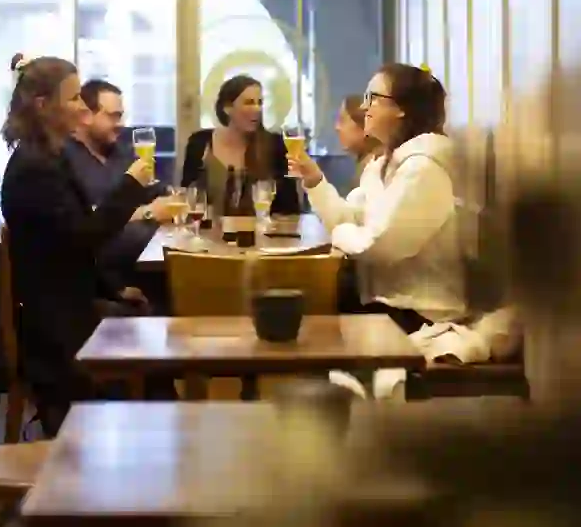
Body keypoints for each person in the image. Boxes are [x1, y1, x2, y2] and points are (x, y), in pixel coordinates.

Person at [0, 53, 163, 436]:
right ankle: (144, 441)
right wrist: (131, 186)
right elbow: (84, 238)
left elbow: (71, 247)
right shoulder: (35, 167)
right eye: (74, 98)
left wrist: (113, 291)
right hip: (55, 328)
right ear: (44, 105)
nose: (81, 108)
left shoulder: (47, 157)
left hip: (65, 303)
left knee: (150, 314)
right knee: (155, 337)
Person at [289, 63, 466, 334]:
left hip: (420, 313)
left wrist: (341, 234)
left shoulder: (424, 168)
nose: (363, 107)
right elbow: (348, 218)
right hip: (386, 304)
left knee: (311, 310)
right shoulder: (382, 165)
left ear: (401, 108)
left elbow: (379, 246)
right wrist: (315, 180)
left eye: (372, 98)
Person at [64, 79, 173, 271]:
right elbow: (90, 219)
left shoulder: (121, 152)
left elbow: (158, 194)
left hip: (144, 259)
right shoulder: (64, 158)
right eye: (113, 116)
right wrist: (147, 213)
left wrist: (171, 198)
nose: (121, 124)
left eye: (121, 116)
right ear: (86, 115)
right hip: (98, 268)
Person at [180, 74, 300, 217]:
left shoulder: (274, 145)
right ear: (227, 108)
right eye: (249, 103)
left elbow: (290, 209)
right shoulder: (200, 143)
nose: (257, 109)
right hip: (209, 228)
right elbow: (188, 197)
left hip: (261, 229)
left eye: (259, 103)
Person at [336, 94, 381, 190]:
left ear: (365, 125)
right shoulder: (366, 166)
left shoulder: (375, 171)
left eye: (342, 120)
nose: (337, 128)